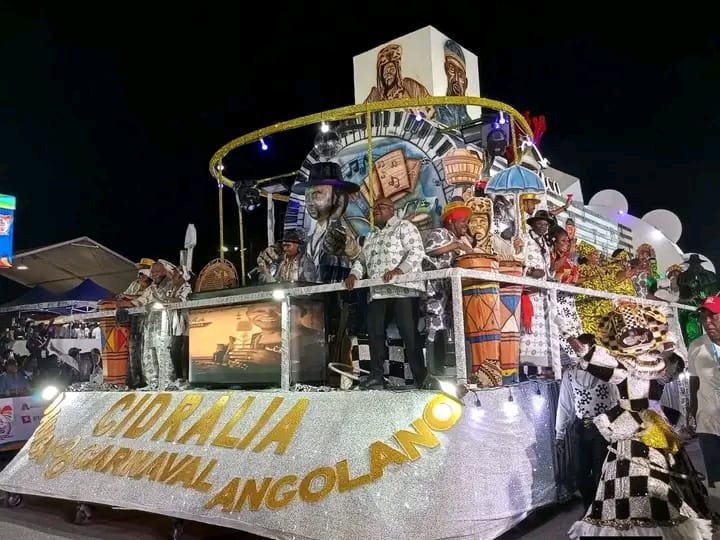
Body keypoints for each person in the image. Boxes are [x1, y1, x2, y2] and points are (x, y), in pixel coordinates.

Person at [569, 303, 713, 539]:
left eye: (640, 334)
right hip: (628, 425)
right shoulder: (620, 365)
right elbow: (597, 363)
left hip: (655, 423)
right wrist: (578, 344)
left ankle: (668, 516)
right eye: (629, 335)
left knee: (665, 473)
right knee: (632, 476)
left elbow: (670, 363)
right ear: (620, 338)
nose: (636, 339)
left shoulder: (656, 361)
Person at [344, 197, 426, 389]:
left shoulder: (404, 227)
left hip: (403, 290)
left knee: (409, 335)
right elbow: (361, 261)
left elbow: (416, 252)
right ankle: (376, 376)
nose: (376, 211)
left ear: (392, 209)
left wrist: (399, 270)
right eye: (375, 208)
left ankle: (421, 378)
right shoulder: (371, 236)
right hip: (379, 292)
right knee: (375, 334)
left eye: (381, 207)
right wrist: (354, 275)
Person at [556, 334, 617, 509]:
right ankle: (589, 508)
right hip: (581, 426)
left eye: (583, 348)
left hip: (603, 427)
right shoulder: (570, 374)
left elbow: (617, 398)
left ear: (593, 349)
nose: (579, 352)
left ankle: (602, 510)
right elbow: (565, 404)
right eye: (577, 349)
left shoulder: (607, 371)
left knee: (601, 470)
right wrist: (559, 434)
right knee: (580, 471)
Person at [423, 199, 474, 342]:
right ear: (451, 220)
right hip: (437, 293)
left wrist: (467, 248)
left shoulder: (460, 240)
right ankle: (434, 356)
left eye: (467, 221)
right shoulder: (440, 233)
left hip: (453, 293)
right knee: (436, 332)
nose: (466, 225)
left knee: (453, 333)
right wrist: (455, 246)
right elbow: (429, 252)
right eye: (463, 221)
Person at [688, 294, 720, 499]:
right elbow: (694, 381)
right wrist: (692, 410)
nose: (707, 321)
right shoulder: (696, 346)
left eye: (713, 315)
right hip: (707, 422)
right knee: (716, 480)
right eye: (703, 317)